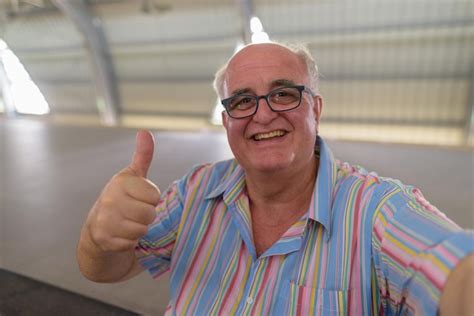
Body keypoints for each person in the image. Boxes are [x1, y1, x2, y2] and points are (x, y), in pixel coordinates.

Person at [77, 42, 474, 315]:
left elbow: (450, 270)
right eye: (243, 100)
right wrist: (100, 236)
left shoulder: (380, 212)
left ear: (315, 109)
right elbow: (106, 269)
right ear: (227, 120)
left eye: (284, 94)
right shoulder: (193, 193)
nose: (263, 115)